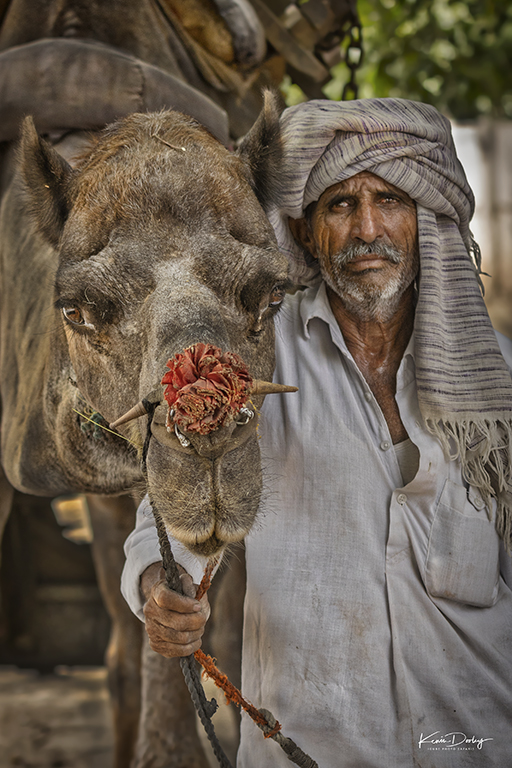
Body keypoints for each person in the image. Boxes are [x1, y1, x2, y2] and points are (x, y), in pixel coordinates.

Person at [121, 98, 512, 767]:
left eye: (390, 200)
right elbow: (175, 514)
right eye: (339, 205)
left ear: (424, 220)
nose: (367, 228)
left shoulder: (499, 379)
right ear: (305, 233)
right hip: (314, 746)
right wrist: (162, 588)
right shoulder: (250, 367)